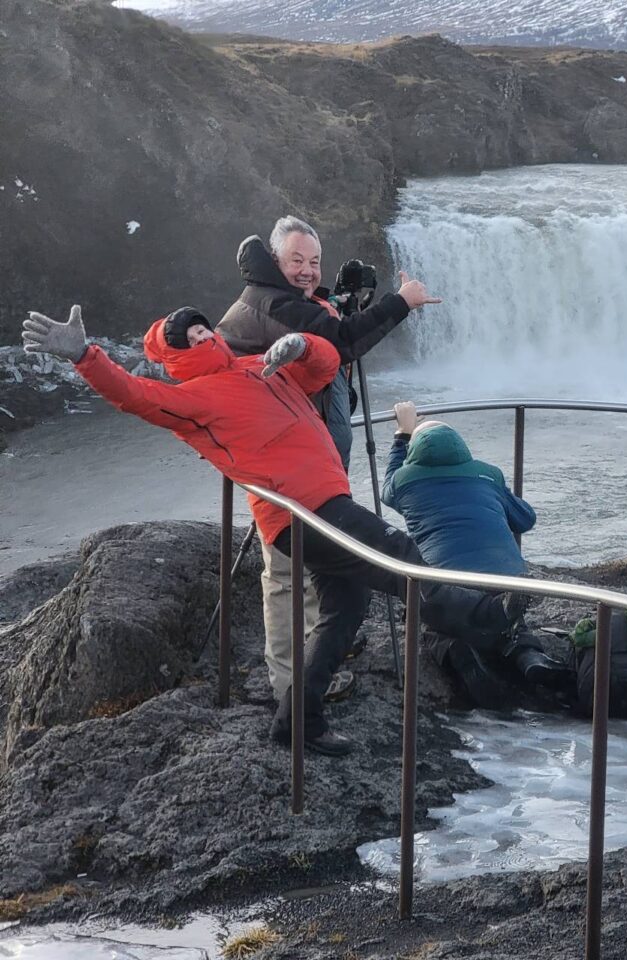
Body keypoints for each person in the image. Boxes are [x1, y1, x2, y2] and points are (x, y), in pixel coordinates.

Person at [21, 305, 523, 756]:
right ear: (176, 355)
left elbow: (326, 369)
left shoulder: (261, 367)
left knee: (345, 610)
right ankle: (483, 616)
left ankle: (296, 721)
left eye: (201, 329)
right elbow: (133, 395)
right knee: (400, 555)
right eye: (188, 339)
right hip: (301, 513)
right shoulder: (190, 399)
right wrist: (84, 356)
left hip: (325, 503)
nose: (200, 337)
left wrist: (302, 346)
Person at [216, 216, 438, 706]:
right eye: (296, 259)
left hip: (303, 461)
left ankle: (314, 656)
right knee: (286, 574)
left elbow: (326, 345)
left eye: (314, 261)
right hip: (281, 467)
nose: (307, 270)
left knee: (315, 566)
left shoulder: (285, 299)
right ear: (274, 260)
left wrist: (337, 304)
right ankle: (290, 683)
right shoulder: (272, 305)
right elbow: (340, 342)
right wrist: (401, 302)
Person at [381, 403, 573, 707]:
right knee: (511, 625)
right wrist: (495, 495)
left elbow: (386, 487)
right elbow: (526, 519)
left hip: (447, 588)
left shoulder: (405, 481)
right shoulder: (488, 475)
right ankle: (528, 655)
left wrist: (402, 436)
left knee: (432, 622)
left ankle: (455, 651)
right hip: (506, 580)